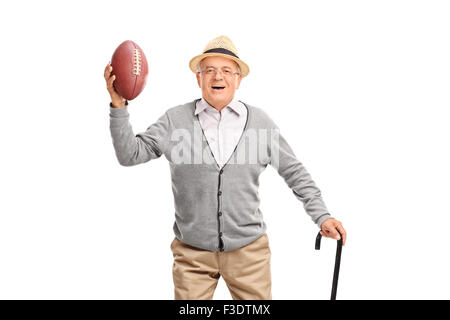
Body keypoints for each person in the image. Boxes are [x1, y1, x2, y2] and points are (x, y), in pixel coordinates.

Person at [104, 35, 347, 300]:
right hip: (192, 255)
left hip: (249, 254)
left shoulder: (260, 124)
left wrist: (322, 216)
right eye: (209, 70)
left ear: (238, 79)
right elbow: (130, 155)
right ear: (198, 78)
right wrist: (119, 105)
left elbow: (294, 172)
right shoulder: (175, 121)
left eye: (226, 70)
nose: (217, 76)